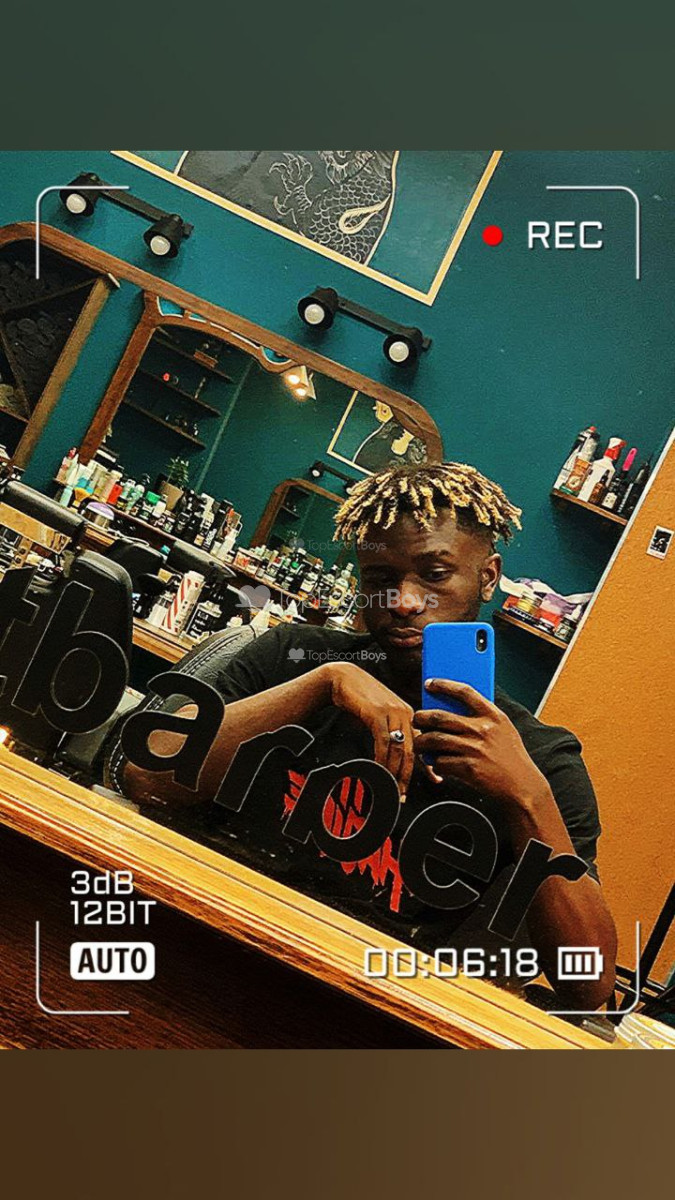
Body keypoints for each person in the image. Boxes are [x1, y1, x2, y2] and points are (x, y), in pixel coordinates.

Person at [123, 462, 617, 1008]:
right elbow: (146, 776)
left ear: (488, 575)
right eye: (381, 580)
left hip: (369, 1007)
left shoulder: (542, 759)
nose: (403, 601)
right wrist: (321, 685)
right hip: (207, 950)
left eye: (434, 575)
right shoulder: (291, 659)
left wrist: (526, 797)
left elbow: (588, 984)